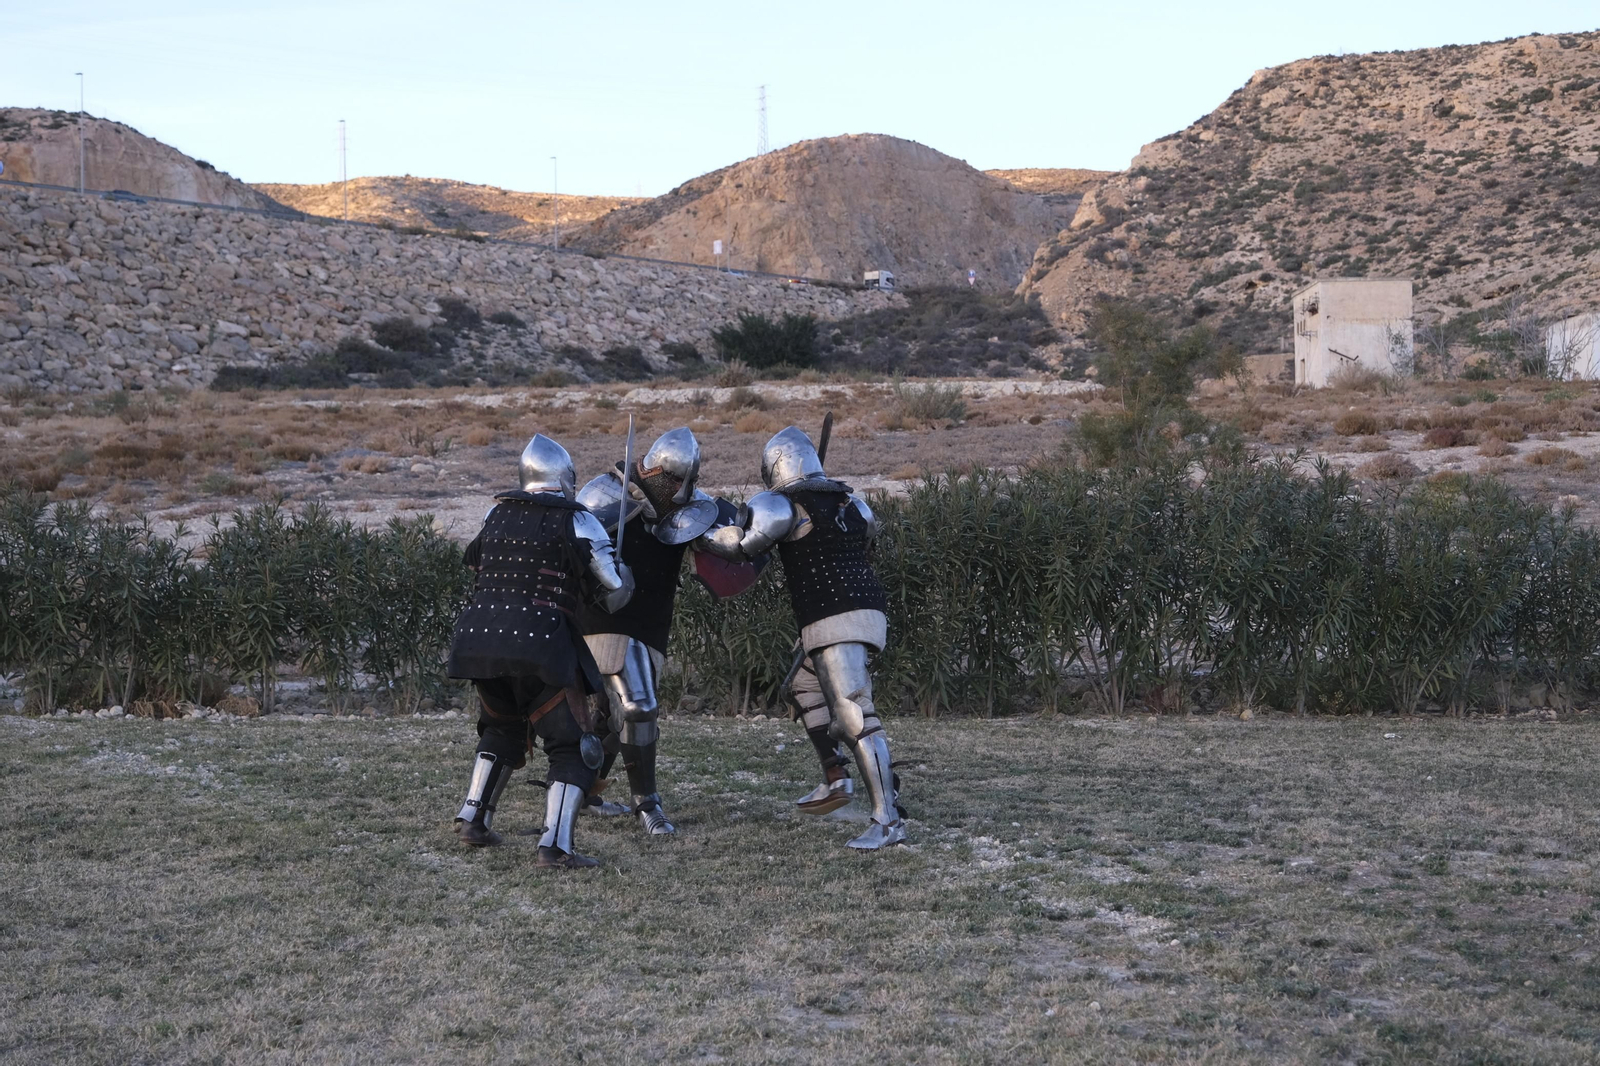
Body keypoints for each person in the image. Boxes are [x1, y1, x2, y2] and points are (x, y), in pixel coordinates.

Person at [703, 426, 906, 850]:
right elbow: (867, 537)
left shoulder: (779, 503)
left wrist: (698, 531)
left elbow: (741, 547)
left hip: (837, 616)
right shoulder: (853, 502)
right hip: (862, 611)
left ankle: (887, 820)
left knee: (853, 715)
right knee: (803, 687)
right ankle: (837, 778)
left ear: (773, 467)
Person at [447, 433, 633, 869]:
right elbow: (614, 590)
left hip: (480, 641)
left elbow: (479, 567)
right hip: (541, 645)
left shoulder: (496, 513)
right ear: (566, 479)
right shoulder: (579, 519)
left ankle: (474, 818)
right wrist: (621, 571)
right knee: (573, 745)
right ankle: (555, 847)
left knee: (502, 729)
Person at [575, 427, 748, 836]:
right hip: (605, 621)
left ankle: (581, 791)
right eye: (676, 483)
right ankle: (646, 804)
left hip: (651, 624)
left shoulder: (688, 511)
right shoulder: (601, 496)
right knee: (638, 708)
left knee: (610, 717)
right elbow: (574, 547)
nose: (684, 493)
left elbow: (722, 545)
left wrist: (744, 534)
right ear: (655, 474)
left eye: (689, 484)